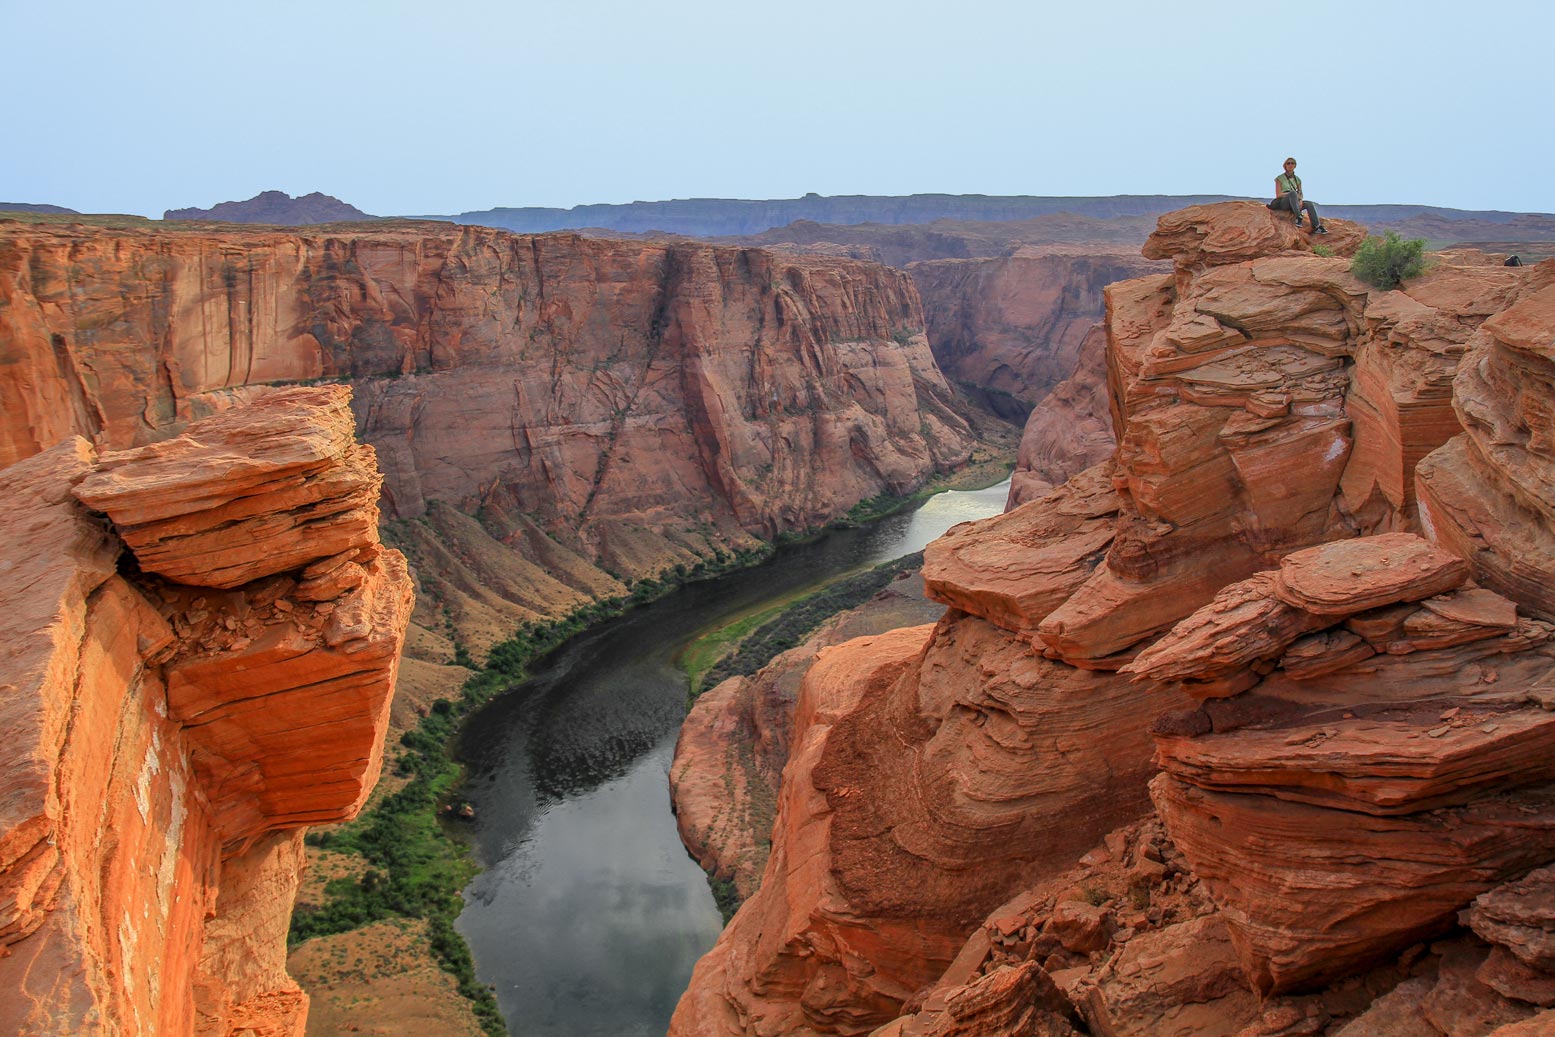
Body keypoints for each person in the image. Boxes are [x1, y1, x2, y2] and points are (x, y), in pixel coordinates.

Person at [1269, 157, 1327, 234]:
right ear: (1285, 165)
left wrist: (1300, 200)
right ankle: (1298, 217)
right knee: (1293, 193)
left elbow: (1300, 193)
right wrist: (1291, 194)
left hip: (1295, 201)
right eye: (1288, 163)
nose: (1290, 165)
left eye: (1292, 163)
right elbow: (1278, 194)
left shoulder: (1297, 179)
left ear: (1295, 165)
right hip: (1284, 202)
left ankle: (1316, 226)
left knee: (1309, 204)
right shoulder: (1280, 178)